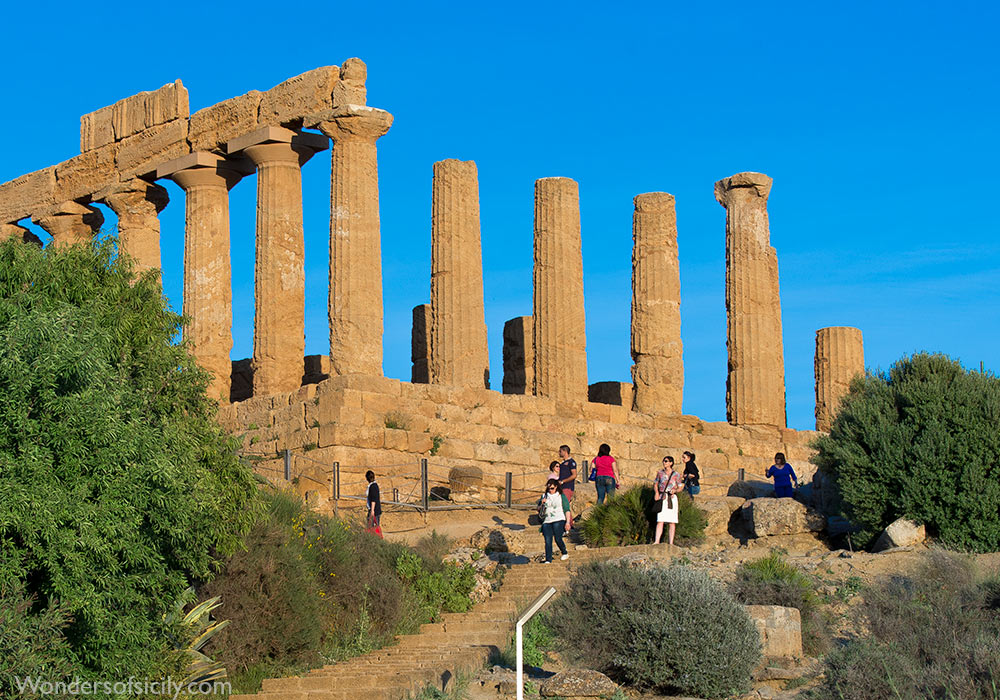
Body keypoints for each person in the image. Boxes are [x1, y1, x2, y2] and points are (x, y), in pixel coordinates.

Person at [537, 478, 570, 563]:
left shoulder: (561, 496)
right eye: (549, 488)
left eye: (552, 488)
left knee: (558, 538)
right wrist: (542, 503)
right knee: (548, 540)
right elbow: (538, 509)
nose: (550, 490)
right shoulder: (544, 496)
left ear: (556, 487)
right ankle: (548, 559)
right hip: (547, 520)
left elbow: (567, 509)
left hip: (559, 519)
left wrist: (567, 522)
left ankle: (564, 552)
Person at [652, 456, 683, 545]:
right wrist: (656, 493)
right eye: (664, 461)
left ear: (671, 463)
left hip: (671, 498)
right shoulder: (660, 473)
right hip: (662, 497)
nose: (664, 463)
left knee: (672, 521)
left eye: (666, 461)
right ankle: (657, 541)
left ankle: (671, 542)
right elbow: (656, 483)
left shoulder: (676, 474)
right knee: (660, 520)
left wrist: (675, 490)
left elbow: (680, 486)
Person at [557, 445, 578, 528]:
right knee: (563, 505)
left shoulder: (571, 462)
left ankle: (569, 524)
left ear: (565, 451)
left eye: (560, 451)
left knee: (565, 505)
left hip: (567, 487)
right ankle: (569, 522)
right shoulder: (562, 463)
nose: (559, 453)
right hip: (562, 487)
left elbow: (574, 475)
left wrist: (563, 481)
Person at [365, 470, 383, 538]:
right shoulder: (374, 485)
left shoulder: (373, 487)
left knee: (372, 528)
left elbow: (373, 500)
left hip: (374, 510)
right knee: (374, 527)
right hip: (375, 509)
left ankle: (374, 540)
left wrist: (372, 511)